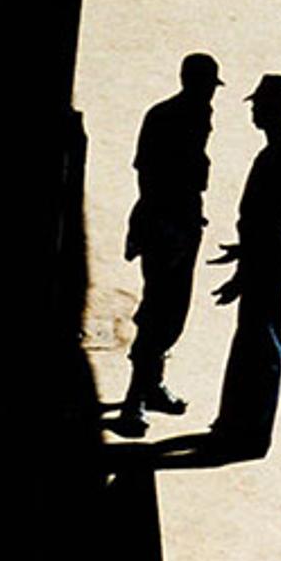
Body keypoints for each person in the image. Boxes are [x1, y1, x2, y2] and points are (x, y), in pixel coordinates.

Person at [105, 52, 219, 438]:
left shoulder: (197, 114)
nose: (211, 97)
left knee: (172, 312)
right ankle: (134, 402)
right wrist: (161, 225)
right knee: (157, 313)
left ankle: (151, 387)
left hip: (183, 224)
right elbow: (148, 176)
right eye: (208, 87)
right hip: (165, 227)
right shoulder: (168, 117)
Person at [204, 73, 281, 454]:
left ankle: (247, 428)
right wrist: (242, 251)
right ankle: (241, 423)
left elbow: (272, 222)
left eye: (260, 105)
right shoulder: (280, 154)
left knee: (258, 344)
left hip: (268, 257)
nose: (254, 112)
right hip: (267, 253)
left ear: (277, 109)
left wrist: (244, 270)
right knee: (256, 340)